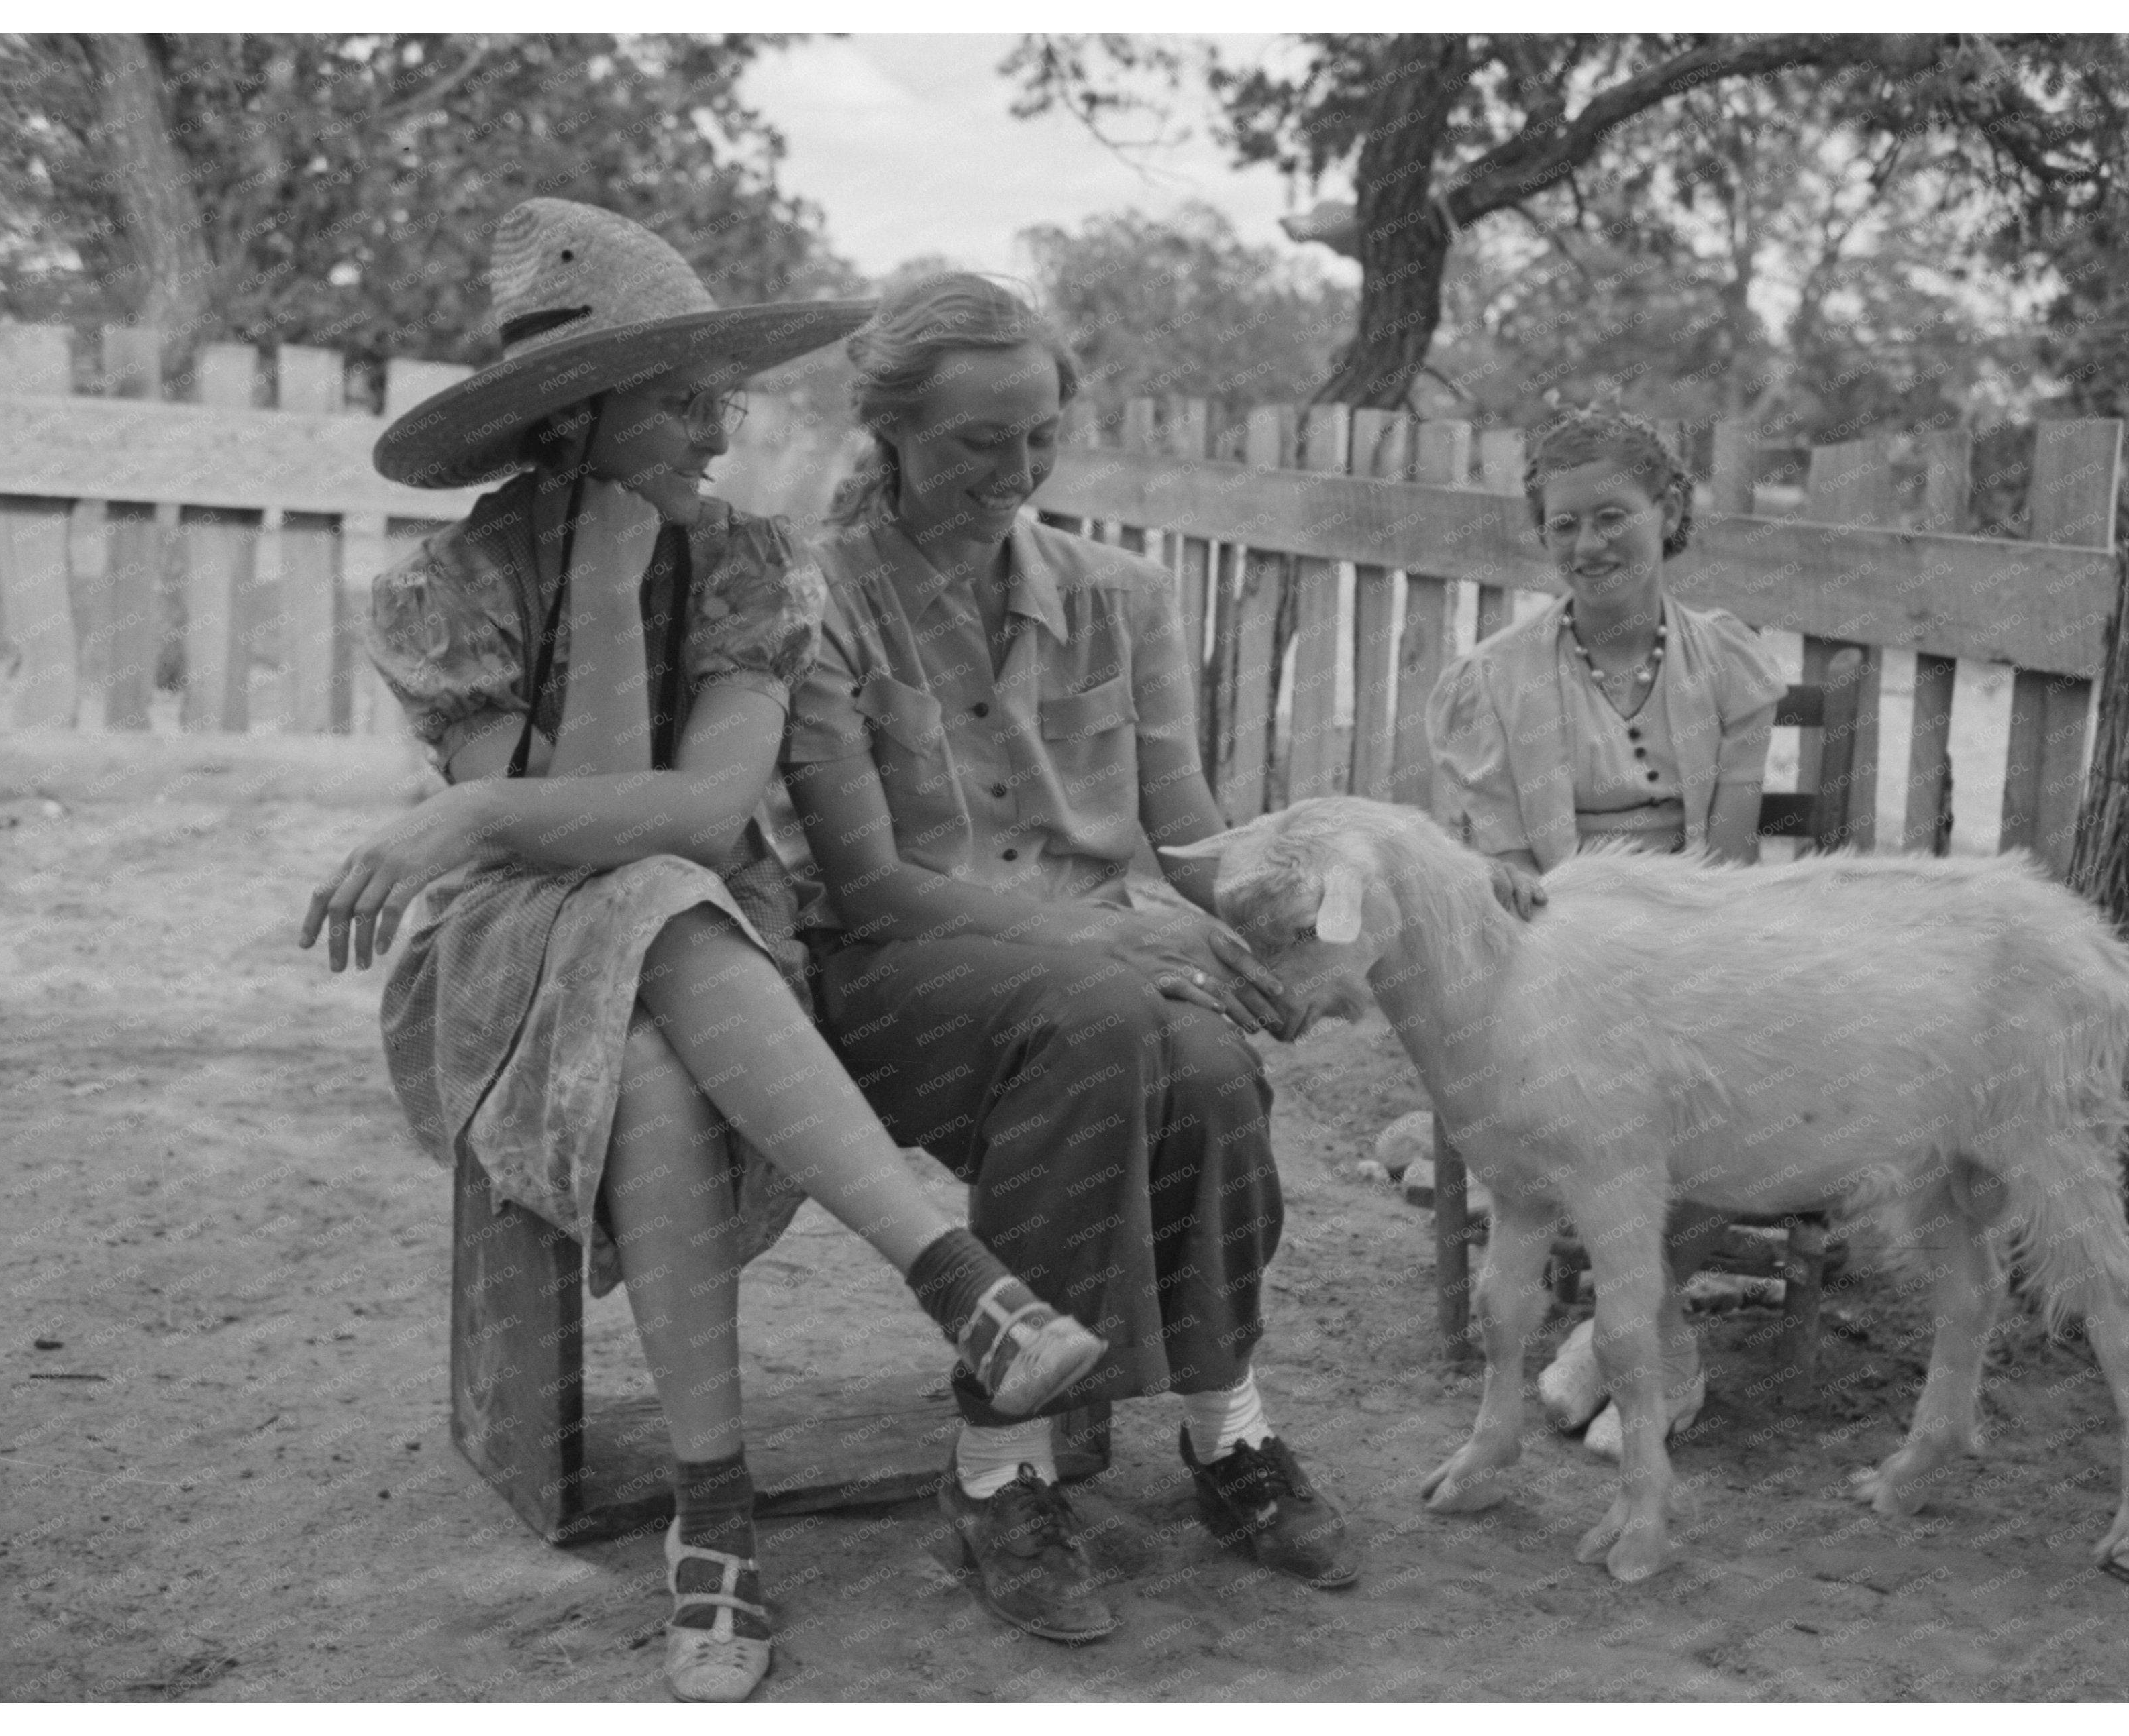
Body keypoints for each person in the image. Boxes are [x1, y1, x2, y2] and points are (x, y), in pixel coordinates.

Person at [302, 201, 1105, 1703]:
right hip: (510, 965)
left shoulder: (745, 565)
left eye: (713, 396)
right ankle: (958, 1282)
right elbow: (591, 837)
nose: (718, 436)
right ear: (573, 418)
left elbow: (706, 807)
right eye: (680, 403)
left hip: (709, 952)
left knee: (666, 1003)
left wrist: (474, 802)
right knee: (651, 901)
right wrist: (599, 590)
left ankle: (712, 1514)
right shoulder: (448, 589)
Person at [780, 275, 1366, 1644]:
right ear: (893, 435)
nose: (1016, 470)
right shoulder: (821, 603)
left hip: (1104, 980)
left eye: (1039, 435)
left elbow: (1195, 839)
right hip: (896, 973)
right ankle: (1001, 1463)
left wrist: (1328, 895)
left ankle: (1229, 1432)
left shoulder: (1123, 595)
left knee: (1215, 1061)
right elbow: (869, 881)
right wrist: (1118, 930)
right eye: (976, 443)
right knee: (1106, 1014)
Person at [1425, 406, 1788, 1458]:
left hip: (1696, 936)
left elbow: (1726, 858)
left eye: (1612, 516)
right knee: (1592, 1105)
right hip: (1554, 955)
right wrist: (1592, 961)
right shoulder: (1494, 679)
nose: (1589, 546)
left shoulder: (1729, 666)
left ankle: (1609, 1328)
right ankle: (1657, 1346)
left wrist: (1683, 962)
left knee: (1755, 1096)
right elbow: (1508, 870)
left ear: (1666, 511)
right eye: (1564, 524)